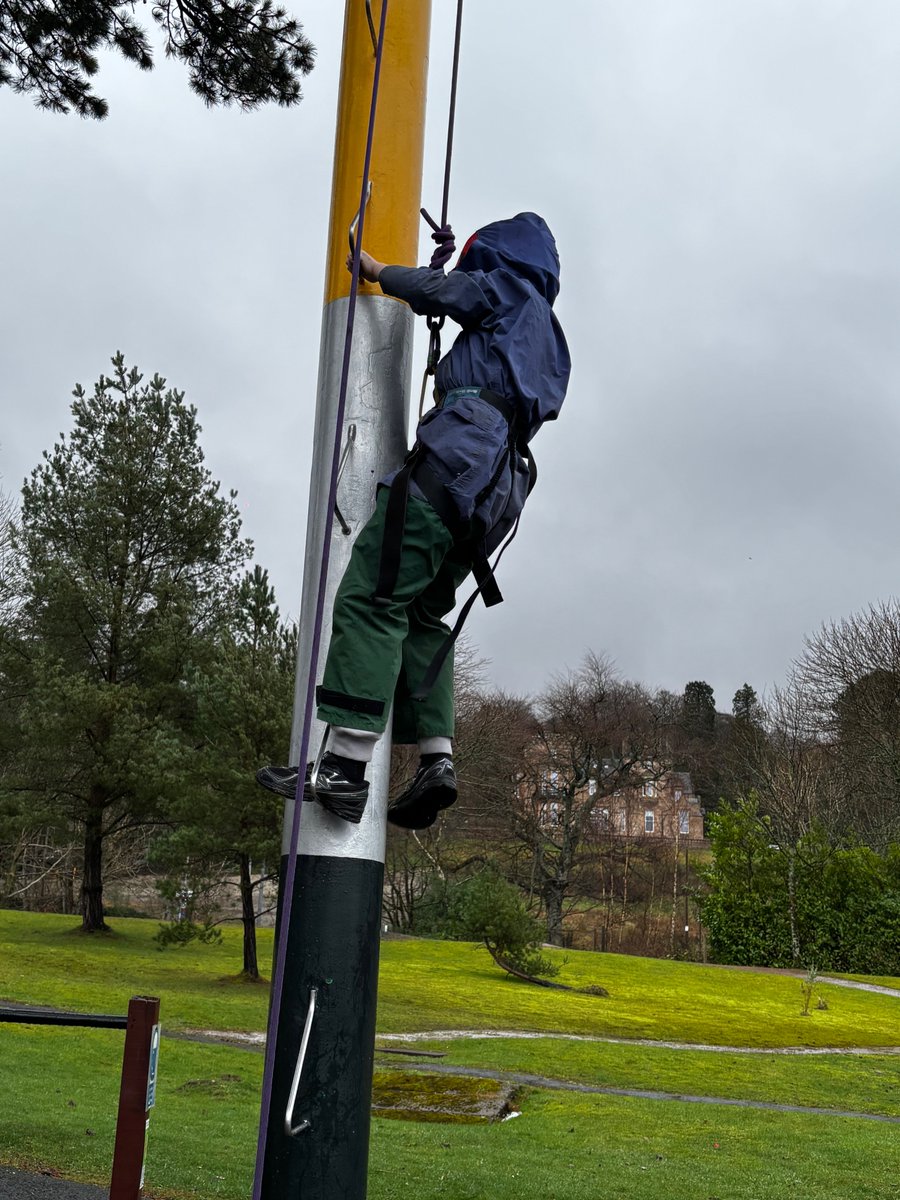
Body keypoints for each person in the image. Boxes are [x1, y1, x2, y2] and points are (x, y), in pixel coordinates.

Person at [257, 212, 570, 829]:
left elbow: (450, 293)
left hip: (460, 456)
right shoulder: (549, 333)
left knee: (374, 597)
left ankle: (343, 768)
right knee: (425, 611)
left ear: (498, 257)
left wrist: (379, 271)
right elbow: (460, 302)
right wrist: (439, 268)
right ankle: (436, 760)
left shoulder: (506, 288)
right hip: (500, 489)